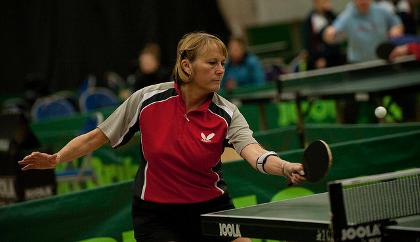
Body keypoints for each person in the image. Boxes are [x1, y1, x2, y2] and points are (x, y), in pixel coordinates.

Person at [18, 32, 306, 242]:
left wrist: (283, 167)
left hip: (210, 208)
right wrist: (57, 158)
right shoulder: (147, 100)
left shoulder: (226, 113)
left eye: (223, 63)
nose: (221, 69)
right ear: (186, 65)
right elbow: (98, 136)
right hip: (157, 215)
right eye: (212, 63)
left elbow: (252, 151)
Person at [323, 0, 404, 63]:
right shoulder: (347, 15)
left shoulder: (382, 10)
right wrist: (329, 34)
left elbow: (397, 24)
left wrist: (396, 30)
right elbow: (331, 33)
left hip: (383, 60)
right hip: (357, 63)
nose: (363, 2)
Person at [302, 0, 346, 70]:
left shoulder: (331, 16)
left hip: (335, 58)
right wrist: (316, 59)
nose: (326, 2)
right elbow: (308, 42)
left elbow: (338, 34)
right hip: (321, 62)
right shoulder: (310, 20)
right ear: (316, 2)